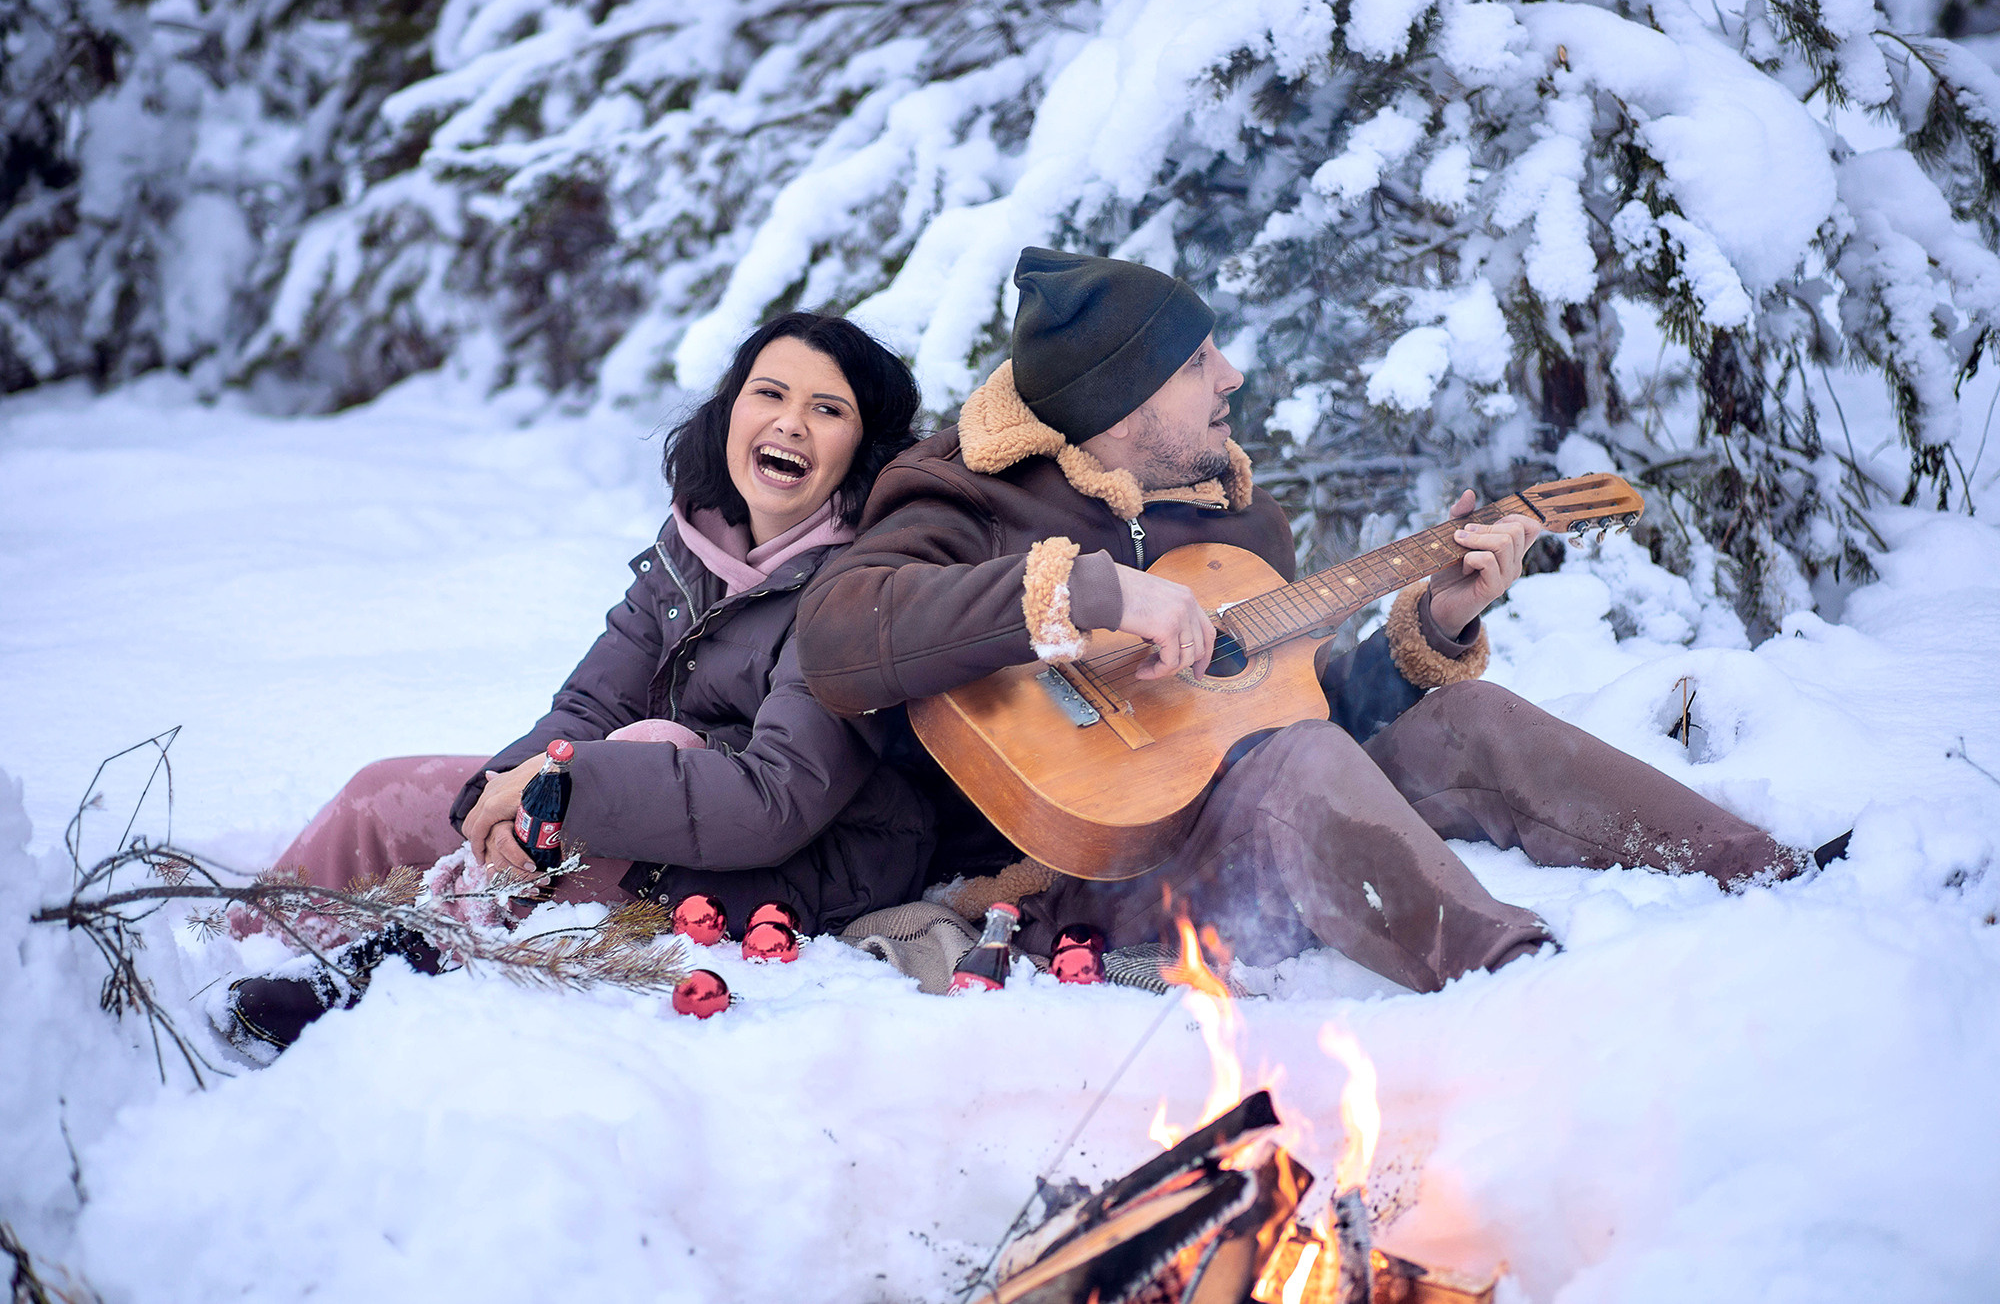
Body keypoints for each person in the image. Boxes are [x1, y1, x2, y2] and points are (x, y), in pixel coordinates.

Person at [793, 248, 1827, 993]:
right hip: (1076, 886)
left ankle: (1765, 872)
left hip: (1250, 841)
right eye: (1197, 361)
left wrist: (1435, 624)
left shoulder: (1232, 523)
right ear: (1124, 396)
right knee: (1288, 766)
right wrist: (1090, 592)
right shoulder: (962, 494)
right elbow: (841, 632)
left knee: (1471, 719)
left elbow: (1301, 713)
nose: (1229, 379)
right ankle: (1508, 983)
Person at [224, 312, 934, 1050]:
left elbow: (773, 800)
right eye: (770, 393)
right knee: (382, 795)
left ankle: (395, 969)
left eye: (828, 409)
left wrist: (563, 788)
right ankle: (230, 947)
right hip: (663, 797)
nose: (790, 424)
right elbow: (592, 704)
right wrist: (497, 795)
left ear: (863, 447)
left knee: (626, 767)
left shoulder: (858, 592)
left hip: (817, 857)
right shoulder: (693, 545)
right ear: (731, 409)